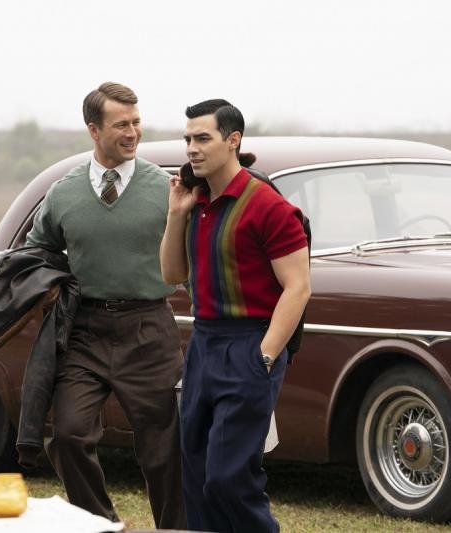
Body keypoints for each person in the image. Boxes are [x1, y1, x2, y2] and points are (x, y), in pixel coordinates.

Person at [25, 81, 185, 529]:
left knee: (165, 450)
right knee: (69, 435)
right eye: (121, 125)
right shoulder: (63, 193)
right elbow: (37, 250)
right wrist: (48, 286)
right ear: (93, 130)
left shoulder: (165, 189)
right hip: (85, 330)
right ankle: (100, 524)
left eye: (136, 122)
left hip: (149, 328)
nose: (132, 133)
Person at [160, 99, 311, 533]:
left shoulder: (269, 207)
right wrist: (176, 213)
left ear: (233, 141)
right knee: (195, 476)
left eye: (202, 138)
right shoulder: (198, 202)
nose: (192, 148)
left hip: (250, 344)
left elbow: (298, 287)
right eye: (188, 139)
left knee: (229, 479)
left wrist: (265, 356)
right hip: (203, 344)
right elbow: (172, 275)